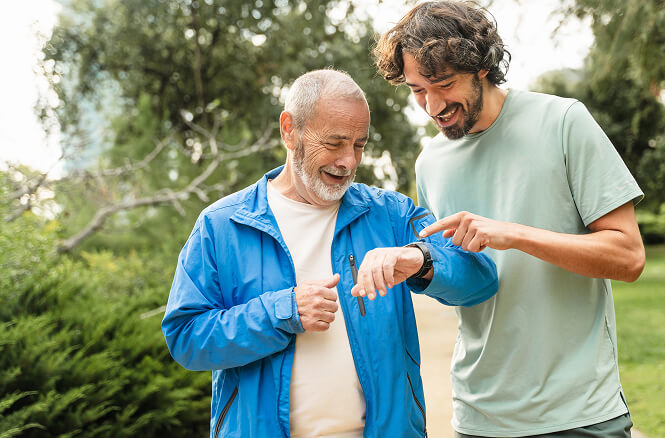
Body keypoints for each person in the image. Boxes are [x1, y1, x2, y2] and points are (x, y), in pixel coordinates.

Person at [161, 69, 497, 438]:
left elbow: (480, 278)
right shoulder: (221, 225)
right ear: (289, 129)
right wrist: (283, 311)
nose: (349, 161)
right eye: (335, 142)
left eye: (359, 145)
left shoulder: (392, 214)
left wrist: (421, 260)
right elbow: (186, 338)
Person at [374, 2, 646, 438]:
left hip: (578, 413)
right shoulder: (430, 163)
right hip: (479, 417)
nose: (432, 106)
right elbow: (464, 284)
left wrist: (515, 234)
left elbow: (629, 256)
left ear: (481, 66)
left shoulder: (563, 122)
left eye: (443, 84)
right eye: (417, 90)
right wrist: (423, 266)